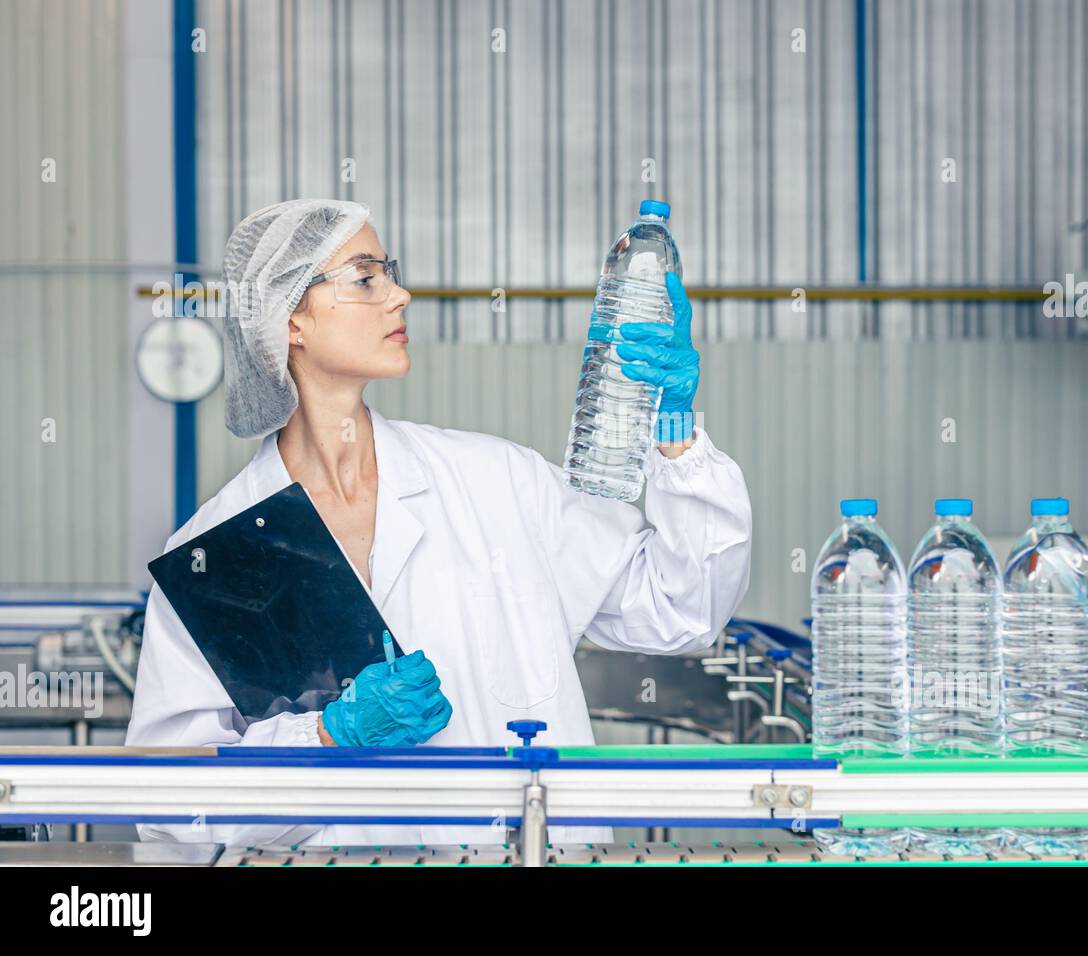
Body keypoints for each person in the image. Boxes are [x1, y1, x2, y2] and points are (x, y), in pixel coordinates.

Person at [125, 198, 753, 848]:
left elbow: (681, 608)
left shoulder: (497, 481)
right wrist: (325, 739)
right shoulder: (218, 551)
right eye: (366, 277)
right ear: (290, 321)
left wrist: (673, 431)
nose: (400, 295)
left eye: (388, 272)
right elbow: (173, 809)